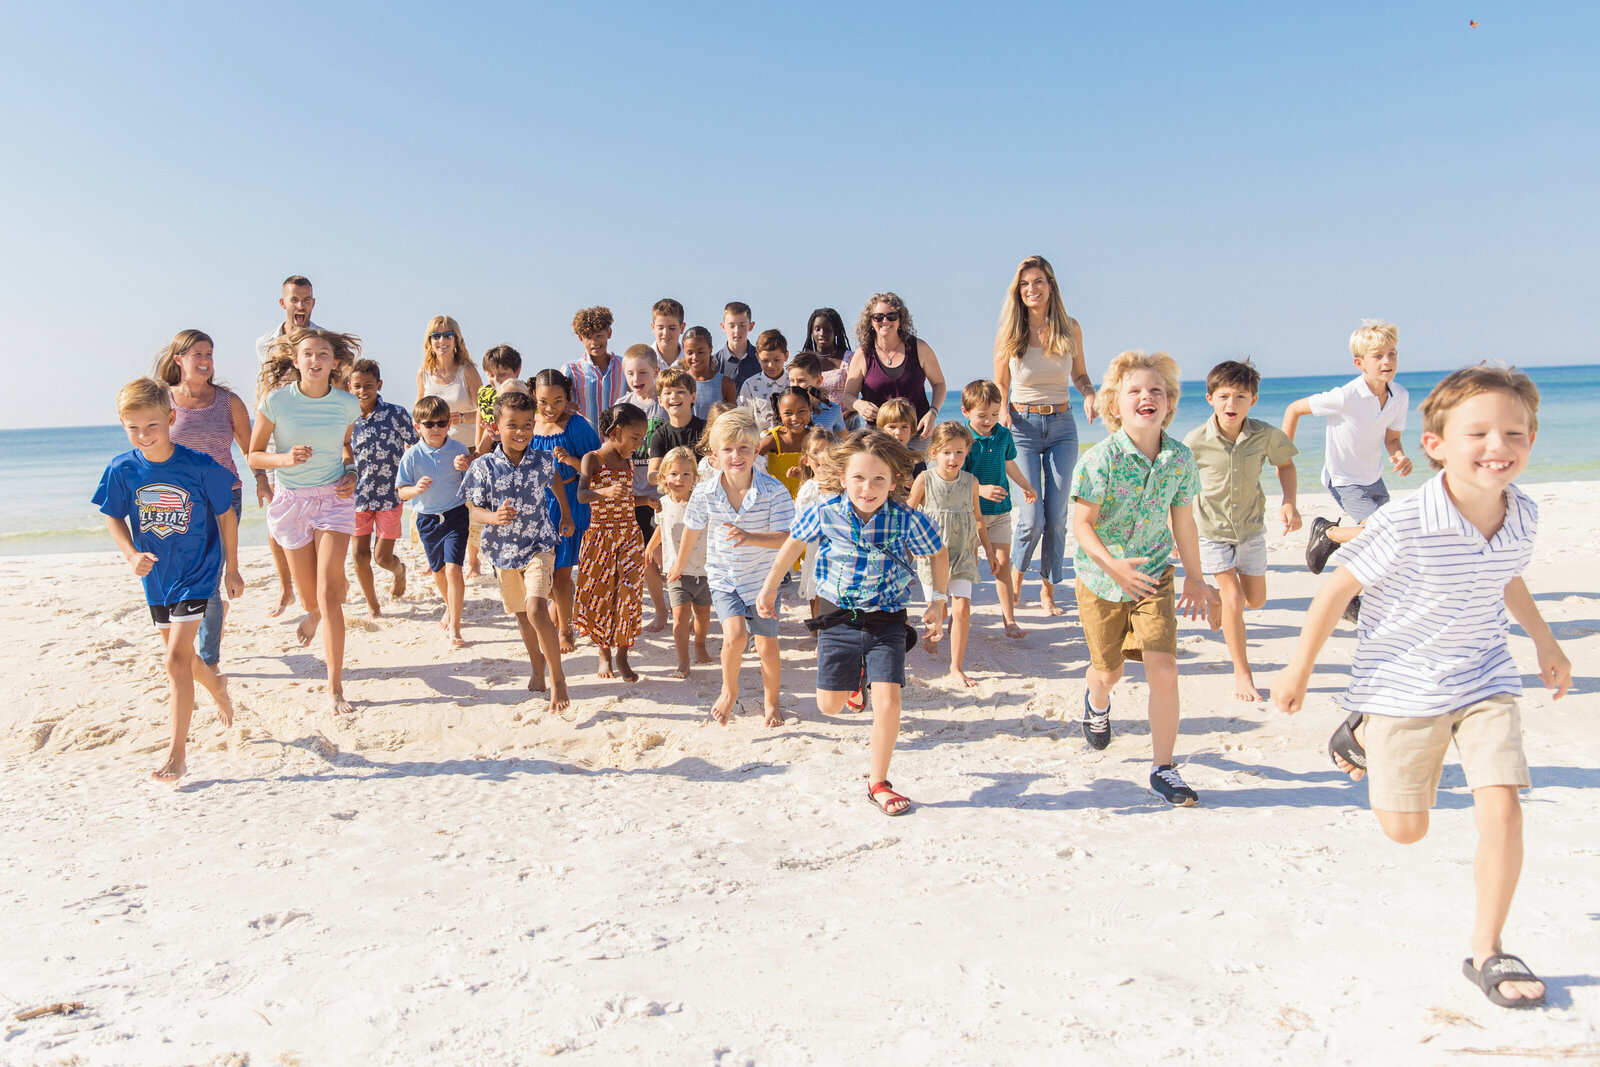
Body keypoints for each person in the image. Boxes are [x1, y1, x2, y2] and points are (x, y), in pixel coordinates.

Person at [1272, 364, 1570, 1010]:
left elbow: (1507, 576)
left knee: (1503, 809)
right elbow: (1337, 587)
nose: (1499, 445)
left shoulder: (1523, 515)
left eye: (1514, 433)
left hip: (1486, 675)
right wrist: (1299, 669)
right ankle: (1363, 729)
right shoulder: (1403, 522)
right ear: (1435, 444)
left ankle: (1489, 946)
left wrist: (1545, 641)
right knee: (1406, 828)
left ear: (1531, 440)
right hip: (1402, 683)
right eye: (1479, 432)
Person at [757, 430, 949, 816]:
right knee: (829, 706)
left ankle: (878, 781)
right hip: (837, 616)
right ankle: (854, 685)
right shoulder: (824, 512)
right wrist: (768, 588)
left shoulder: (907, 519)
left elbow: (938, 553)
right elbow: (792, 545)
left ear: (894, 481)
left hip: (887, 618)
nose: (868, 487)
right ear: (843, 477)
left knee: (890, 702)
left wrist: (938, 602)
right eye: (859, 477)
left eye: (879, 478)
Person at [1070, 350, 1216, 805]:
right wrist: (1112, 564)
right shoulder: (1101, 459)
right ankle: (1096, 703)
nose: (1146, 397)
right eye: (1134, 391)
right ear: (1115, 404)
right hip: (1101, 579)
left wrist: (1195, 577)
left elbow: (1185, 523)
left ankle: (1163, 768)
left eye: (1156, 390)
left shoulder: (1179, 459)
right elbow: (1081, 523)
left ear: (1169, 403)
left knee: (1164, 668)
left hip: (1154, 575)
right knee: (1109, 671)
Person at [96, 377, 243, 782]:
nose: (143, 435)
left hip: (197, 572)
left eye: (152, 425)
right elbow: (112, 515)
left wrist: (232, 567)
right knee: (184, 661)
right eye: (133, 427)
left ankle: (177, 754)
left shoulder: (199, 466)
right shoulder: (121, 469)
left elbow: (226, 514)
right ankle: (216, 684)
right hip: (157, 576)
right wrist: (131, 555)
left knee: (174, 660)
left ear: (171, 417)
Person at [248, 328, 363, 715]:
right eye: (308, 354)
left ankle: (334, 689)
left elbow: (346, 446)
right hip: (291, 500)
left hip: (333, 498)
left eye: (323, 354)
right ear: (296, 361)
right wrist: (284, 460)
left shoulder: (348, 404)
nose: (315, 360)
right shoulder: (277, 401)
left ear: (335, 362)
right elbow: (253, 455)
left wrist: (351, 471)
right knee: (311, 599)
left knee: (330, 595)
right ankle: (312, 611)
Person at [667, 410, 795, 727]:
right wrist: (679, 565)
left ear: (755, 451)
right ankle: (729, 689)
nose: (736, 456)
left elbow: (788, 539)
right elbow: (692, 529)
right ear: (714, 455)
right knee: (735, 637)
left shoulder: (773, 490)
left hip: (763, 582)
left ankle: (771, 702)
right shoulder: (705, 492)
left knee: (766, 645)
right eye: (728, 449)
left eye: (743, 448)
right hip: (724, 579)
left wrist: (750, 537)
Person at [1183, 360, 1301, 701]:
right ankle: (1242, 674)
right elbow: (1177, 487)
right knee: (1236, 599)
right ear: (1209, 398)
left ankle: (1217, 599)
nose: (1230, 404)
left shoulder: (1264, 435)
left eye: (1240, 396)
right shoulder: (1195, 441)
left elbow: (1287, 464)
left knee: (1255, 599)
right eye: (1223, 396)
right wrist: (1177, 533)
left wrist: (1289, 501)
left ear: (1254, 400)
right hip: (1211, 530)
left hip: (1250, 530)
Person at [993, 254, 1098, 619]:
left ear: (1051, 285)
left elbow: (1081, 376)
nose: (1031, 289)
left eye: (1038, 282)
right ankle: (1017, 580)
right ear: (1018, 291)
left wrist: (1089, 394)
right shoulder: (1009, 332)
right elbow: (999, 386)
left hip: (1063, 427)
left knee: (1056, 517)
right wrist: (1002, 411)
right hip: (1021, 427)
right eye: (1025, 284)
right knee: (1031, 516)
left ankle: (1048, 590)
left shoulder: (1070, 328)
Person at [465, 390, 575, 714]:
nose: (521, 431)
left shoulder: (541, 459)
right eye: (512, 424)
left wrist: (566, 514)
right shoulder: (484, 466)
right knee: (523, 617)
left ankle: (558, 678)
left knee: (537, 609)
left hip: (540, 544)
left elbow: (555, 478)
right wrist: (492, 517)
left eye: (528, 424)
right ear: (495, 426)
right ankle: (537, 666)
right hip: (503, 551)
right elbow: (471, 507)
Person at [1283, 319, 1412, 581]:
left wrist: (1399, 456)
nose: (1387, 361)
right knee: (1383, 532)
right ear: (1360, 363)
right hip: (1343, 480)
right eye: (1378, 356)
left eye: (1392, 354)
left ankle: (1356, 597)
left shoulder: (1400, 396)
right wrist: (1282, 455)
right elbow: (1294, 408)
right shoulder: (1345, 397)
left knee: (1384, 542)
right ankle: (1327, 534)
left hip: (1374, 478)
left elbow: (1393, 439)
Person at [157, 329, 254, 672]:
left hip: (223, 498)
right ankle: (208, 623)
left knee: (209, 579)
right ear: (178, 360)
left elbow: (249, 449)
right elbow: (146, 443)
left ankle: (209, 660)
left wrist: (264, 482)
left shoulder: (228, 402)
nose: (205, 360)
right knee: (185, 577)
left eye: (209, 353)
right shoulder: (162, 400)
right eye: (197, 354)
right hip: (177, 503)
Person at [254, 274, 322, 617]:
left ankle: (324, 584)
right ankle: (286, 588)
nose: (300, 305)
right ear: (283, 303)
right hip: (280, 435)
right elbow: (265, 387)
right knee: (276, 517)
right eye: (294, 299)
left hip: (316, 434)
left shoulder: (322, 340)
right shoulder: (265, 343)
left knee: (321, 512)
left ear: (313, 303)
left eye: (306, 299)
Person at [908, 422, 994, 688]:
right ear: (933, 453)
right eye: (946, 452)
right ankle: (932, 629)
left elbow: (979, 519)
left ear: (967, 451)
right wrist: (912, 548)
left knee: (962, 608)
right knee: (940, 608)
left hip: (963, 553)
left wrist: (989, 552)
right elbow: (908, 515)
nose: (953, 458)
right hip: (932, 554)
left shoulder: (972, 482)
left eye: (959, 452)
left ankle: (956, 667)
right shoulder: (925, 479)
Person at [574, 403, 650, 681]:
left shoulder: (628, 461)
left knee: (629, 597)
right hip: (601, 538)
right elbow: (582, 495)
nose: (638, 444)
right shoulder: (592, 459)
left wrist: (646, 501)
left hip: (630, 536)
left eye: (642, 438)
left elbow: (627, 499)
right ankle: (604, 654)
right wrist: (603, 490)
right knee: (603, 596)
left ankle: (622, 656)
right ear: (615, 432)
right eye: (635, 438)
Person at [529, 368, 602, 653]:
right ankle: (561, 611)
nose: (550, 408)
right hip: (534, 508)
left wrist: (571, 460)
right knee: (536, 574)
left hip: (568, 505)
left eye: (558, 401)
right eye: (544, 401)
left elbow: (596, 468)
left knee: (560, 573)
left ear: (567, 397)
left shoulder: (577, 426)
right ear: (533, 396)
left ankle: (565, 629)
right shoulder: (528, 424)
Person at [960, 379, 1038, 639]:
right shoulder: (962, 439)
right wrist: (980, 490)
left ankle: (1009, 621)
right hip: (970, 514)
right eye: (982, 415)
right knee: (968, 566)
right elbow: (954, 477)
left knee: (1003, 565)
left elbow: (1009, 463)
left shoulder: (1003, 434)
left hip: (1001, 511)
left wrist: (1025, 485)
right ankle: (960, 618)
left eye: (994, 414)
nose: (988, 420)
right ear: (966, 412)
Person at [397, 396, 472, 645]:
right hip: (427, 519)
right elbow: (401, 491)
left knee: (453, 569)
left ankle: (456, 626)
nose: (436, 429)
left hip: (455, 514)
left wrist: (466, 468)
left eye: (441, 423)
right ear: (417, 426)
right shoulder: (411, 456)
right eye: (429, 424)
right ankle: (449, 605)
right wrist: (416, 489)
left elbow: (470, 486)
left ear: (449, 424)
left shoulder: (460, 450)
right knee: (439, 572)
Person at [416, 315, 484, 577]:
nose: (441, 340)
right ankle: (434, 555)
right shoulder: (424, 372)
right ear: (429, 341)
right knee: (435, 501)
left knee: (469, 504)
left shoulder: (466, 369)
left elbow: (484, 410)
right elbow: (419, 408)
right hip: (435, 448)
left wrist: (461, 417)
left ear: (456, 339)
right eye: (436, 336)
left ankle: (474, 561)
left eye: (447, 335)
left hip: (466, 447)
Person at [347, 359, 415, 616]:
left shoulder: (396, 413)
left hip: (390, 495)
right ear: (349, 387)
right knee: (358, 554)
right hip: (357, 496)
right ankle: (372, 605)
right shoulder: (346, 416)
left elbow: (416, 446)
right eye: (357, 386)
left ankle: (400, 571)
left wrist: (411, 482)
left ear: (379, 385)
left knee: (382, 558)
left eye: (368, 386)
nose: (363, 391)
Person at [842, 292, 947, 451]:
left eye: (891, 316)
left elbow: (939, 384)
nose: (885, 321)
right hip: (879, 436)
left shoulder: (919, 348)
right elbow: (847, 396)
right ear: (871, 321)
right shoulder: (864, 354)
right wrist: (859, 405)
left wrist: (933, 412)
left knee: (918, 475)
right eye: (878, 317)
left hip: (918, 432)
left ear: (900, 320)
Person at [650, 446, 715, 678]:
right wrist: (650, 546)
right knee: (679, 617)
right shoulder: (663, 504)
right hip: (675, 572)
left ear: (695, 478)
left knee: (703, 616)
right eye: (674, 474)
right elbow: (661, 527)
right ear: (664, 476)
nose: (680, 479)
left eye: (687, 474)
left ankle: (699, 644)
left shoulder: (701, 503)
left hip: (703, 570)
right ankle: (683, 659)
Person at [620, 344, 669, 634]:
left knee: (666, 555)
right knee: (646, 558)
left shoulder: (663, 408)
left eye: (642, 372)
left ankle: (680, 606)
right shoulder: (621, 406)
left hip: (661, 496)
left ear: (655, 372)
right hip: (634, 497)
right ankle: (660, 611)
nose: (636, 378)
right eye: (630, 373)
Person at [792, 428, 839, 623]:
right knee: (816, 588)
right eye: (817, 452)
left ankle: (833, 627)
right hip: (817, 547)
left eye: (829, 451)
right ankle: (818, 629)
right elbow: (800, 522)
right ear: (806, 459)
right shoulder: (808, 489)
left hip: (838, 546)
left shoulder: (842, 485)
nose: (823, 456)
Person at [564, 305, 627, 423]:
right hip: (583, 439)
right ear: (581, 338)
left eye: (599, 336)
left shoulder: (624, 366)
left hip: (618, 439)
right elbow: (561, 405)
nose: (594, 342)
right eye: (588, 337)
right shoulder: (571, 371)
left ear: (609, 333)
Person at [647, 367, 707, 486]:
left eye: (680, 391)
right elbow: (652, 475)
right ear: (660, 401)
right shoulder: (659, 436)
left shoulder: (706, 430)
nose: (674, 396)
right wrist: (673, 477)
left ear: (693, 397)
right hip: (674, 499)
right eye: (668, 393)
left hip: (704, 495)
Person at [758, 388, 815, 497]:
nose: (795, 418)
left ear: (810, 409)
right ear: (779, 414)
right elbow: (749, 459)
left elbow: (829, 469)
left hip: (810, 501)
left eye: (801, 411)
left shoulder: (816, 439)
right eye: (788, 413)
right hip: (780, 503)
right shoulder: (774, 439)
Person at [800, 307, 854, 414]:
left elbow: (861, 396)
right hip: (815, 424)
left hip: (848, 424)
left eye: (828, 329)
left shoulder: (850, 358)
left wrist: (840, 418)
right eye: (817, 329)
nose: (822, 333)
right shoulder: (805, 362)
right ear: (811, 331)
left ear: (836, 331)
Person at [739, 329, 792, 431]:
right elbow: (743, 420)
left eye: (776, 360)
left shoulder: (793, 383)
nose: (771, 365)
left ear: (786, 356)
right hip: (759, 443)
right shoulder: (750, 385)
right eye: (765, 361)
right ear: (757, 358)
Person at [475, 344, 524, 455]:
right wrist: (477, 456)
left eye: (502, 374)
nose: (496, 379)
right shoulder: (484, 394)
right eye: (491, 375)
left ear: (517, 371)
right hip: (492, 455)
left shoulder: (526, 393)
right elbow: (480, 432)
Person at [683, 325, 738, 418]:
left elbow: (733, 421)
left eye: (701, 352)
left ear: (710, 350)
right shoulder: (678, 382)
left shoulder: (725, 384)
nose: (695, 357)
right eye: (690, 353)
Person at [786, 353, 846, 432]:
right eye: (792, 380)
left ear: (818, 381)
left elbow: (846, 440)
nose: (795, 386)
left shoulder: (832, 410)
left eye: (801, 381)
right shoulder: (786, 411)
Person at [715, 301, 761, 388]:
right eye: (731, 326)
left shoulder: (761, 360)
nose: (737, 331)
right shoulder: (715, 363)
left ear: (751, 326)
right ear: (723, 326)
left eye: (742, 325)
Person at [648, 297, 687, 369]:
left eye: (672, 328)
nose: (665, 333)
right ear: (653, 328)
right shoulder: (644, 360)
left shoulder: (690, 361)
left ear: (682, 328)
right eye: (660, 328)